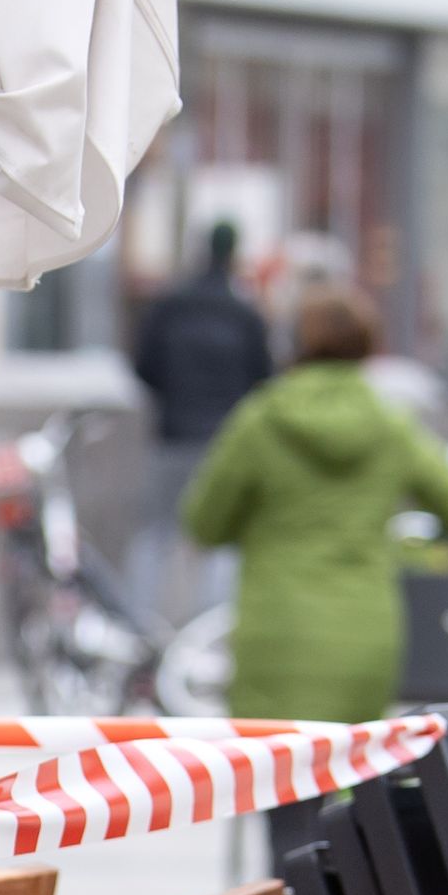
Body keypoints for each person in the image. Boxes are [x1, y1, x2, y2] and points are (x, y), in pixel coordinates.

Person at [179, 284, 448, 725]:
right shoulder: (391, 424)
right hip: (365, 632)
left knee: (271, 779)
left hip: (277, 633)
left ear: (295, 345)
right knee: (353, 779)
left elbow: (204, 523)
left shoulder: (261, 420)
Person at [124, 221, 276, 615]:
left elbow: (143, 368)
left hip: (172, 436)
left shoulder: (169, 307)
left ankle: (140, 628)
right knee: (223, 542)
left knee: (156, 536)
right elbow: (264, 381)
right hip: (227, 442)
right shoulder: (245, 315)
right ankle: (210, 634)